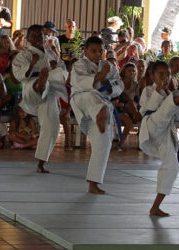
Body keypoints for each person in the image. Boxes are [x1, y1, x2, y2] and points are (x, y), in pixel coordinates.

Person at [69, 37, 123, 195]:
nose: (97, 54)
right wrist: (100, 75)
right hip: (81, 98)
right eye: (93, 51)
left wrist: (106, 80)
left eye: (100, 51)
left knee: (103, 142)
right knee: (93, 98)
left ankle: (93, 183)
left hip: (101, 102)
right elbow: (82, 83)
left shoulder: (108, 65)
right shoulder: (79, 64)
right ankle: (100, 112)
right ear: (85, 51)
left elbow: (119, 84)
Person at [11, 25, 68, 172]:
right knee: (41, 81)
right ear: (29, 38)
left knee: (52, 127)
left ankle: (41, 163)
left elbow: (63, 73)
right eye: (34, 36)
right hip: (31, 88)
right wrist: (32, 64)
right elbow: (18, 76)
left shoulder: (51, 54)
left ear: (45, 37)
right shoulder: (24, 55)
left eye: (41, 36)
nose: (38, 39)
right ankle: (41, 81)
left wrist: (56, 67)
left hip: (49, 93)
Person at [139, 61, 179, 217]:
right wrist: (159, 90)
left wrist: (178, 101)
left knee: (172, 167)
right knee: (166, 108)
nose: (165, 77)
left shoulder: (170, 94)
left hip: (165, 133)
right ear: (152, 76)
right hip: (151, 125)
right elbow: (148, 107)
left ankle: (155, 206)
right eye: (161, 74)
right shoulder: (148, 91)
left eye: (168, 74)